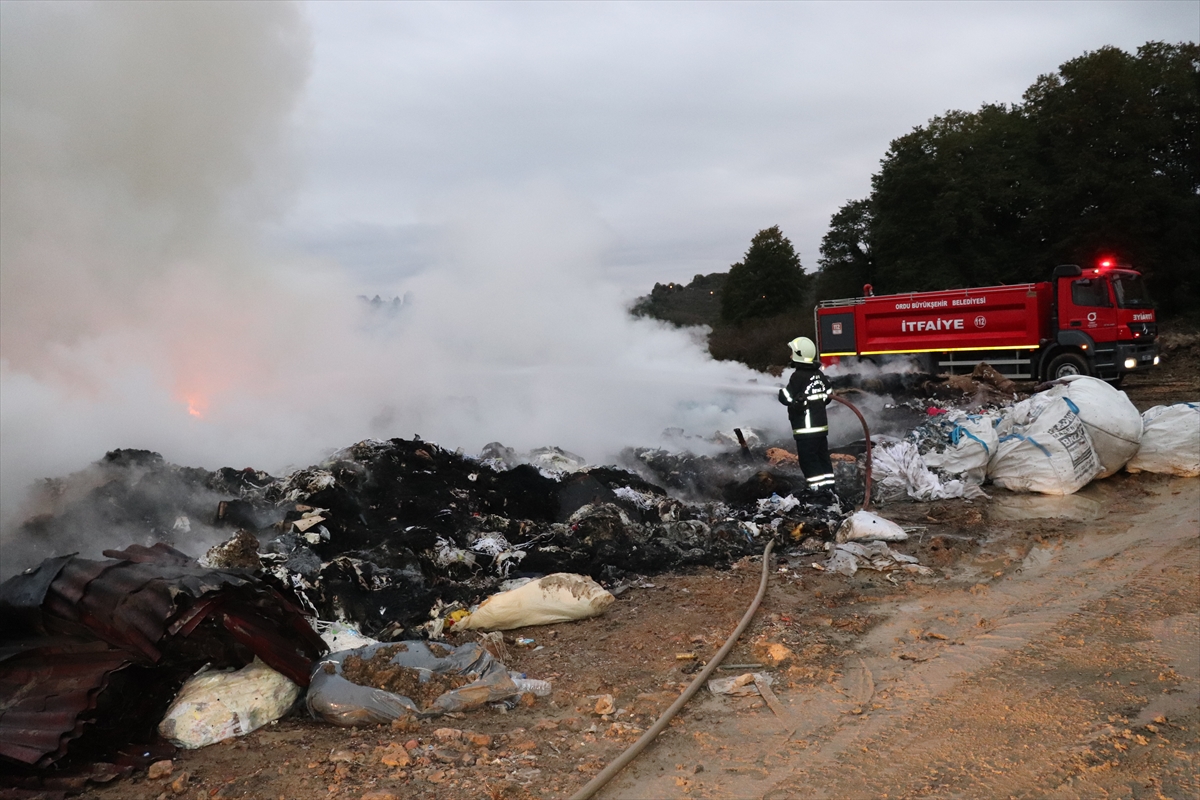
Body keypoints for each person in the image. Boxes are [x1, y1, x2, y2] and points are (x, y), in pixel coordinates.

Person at [777, 336, 836, 492]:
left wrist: (783, 394)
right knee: (822, 457)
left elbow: (786, 398)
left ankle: (817, 492)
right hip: (821, 427)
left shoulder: (798, 376)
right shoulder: (818, 374)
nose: (790, 356)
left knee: (808, 460)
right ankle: (830, 489)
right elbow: (829, 394)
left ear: (798, 355)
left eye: (792, 353)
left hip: (806, 429)